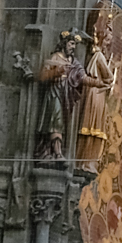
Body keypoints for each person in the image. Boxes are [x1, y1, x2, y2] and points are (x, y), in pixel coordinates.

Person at [76, 7, 119, 167]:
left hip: (98, 94)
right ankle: (86, 161)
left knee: (96, 128)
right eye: (108, 38)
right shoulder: (99, 56)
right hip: (95, 94)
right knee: (92, 127)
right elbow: (108, 77)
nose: (109, 41)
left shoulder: (101, 56)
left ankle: (89, 161)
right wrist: (112, 71)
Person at [34, 33, 84, 163]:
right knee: (56, 121)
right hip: (54, 94)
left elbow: (82, 77)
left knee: (60, 123)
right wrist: (57, 71)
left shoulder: (73, 61)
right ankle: (57, 153)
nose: (73, 47)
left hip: (65, 97)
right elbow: (43, 76)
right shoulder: (55, 57)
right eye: (71, 44)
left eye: (75, 45)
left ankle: (50, 151)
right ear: (64, 43)